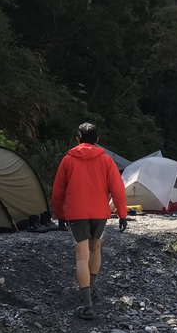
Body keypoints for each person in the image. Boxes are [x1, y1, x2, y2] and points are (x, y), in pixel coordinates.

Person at [51, 123, 128, 320]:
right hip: (100, 213)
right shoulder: (106, 160)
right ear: (97, 140)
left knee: (81, 257)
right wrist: (122, 214)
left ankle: (87, 305)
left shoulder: (68, 160)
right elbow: (118, 188)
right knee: (96, 249)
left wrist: (60, 215)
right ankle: (91, 289)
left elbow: (58, 191)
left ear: (78, 138)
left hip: (76, 214)